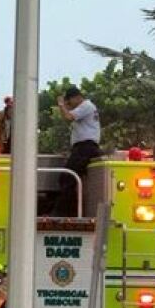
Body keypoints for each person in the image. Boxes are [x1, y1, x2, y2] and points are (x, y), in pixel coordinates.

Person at [54, 85, 101, 217]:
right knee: (70, 178)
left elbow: (68, 117)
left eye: (70, 101)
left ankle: (63, 212)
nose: (69, 105)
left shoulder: (86, 106)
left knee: (67, 177)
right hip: (82, 147)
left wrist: (61, 104)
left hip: (86, 147)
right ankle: (70, 210)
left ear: (76, 97)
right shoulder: (85, 107)